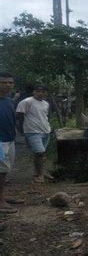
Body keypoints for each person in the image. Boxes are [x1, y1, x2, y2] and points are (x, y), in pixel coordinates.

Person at [16, 85, 52, 183]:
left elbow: (45, 116)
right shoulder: (27, 102)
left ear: (46, 93)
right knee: (40, 152)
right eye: (38, 91)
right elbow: (19, 115)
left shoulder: (46, 104)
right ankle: (40, 175)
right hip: (32, 131)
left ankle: (37, 172)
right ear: (34, 92)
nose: (40, 93)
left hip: (45, 131)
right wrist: (21, 130)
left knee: (40, 154)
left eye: (43, 91)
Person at [0, 72, 18, 213]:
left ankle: (3, 196)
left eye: (10, 83)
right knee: (0, 171)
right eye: (4, 82)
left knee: (5, 171)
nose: (7, 85)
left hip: (9, 140)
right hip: (0, 142)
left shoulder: (10, 101)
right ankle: (0, 202)